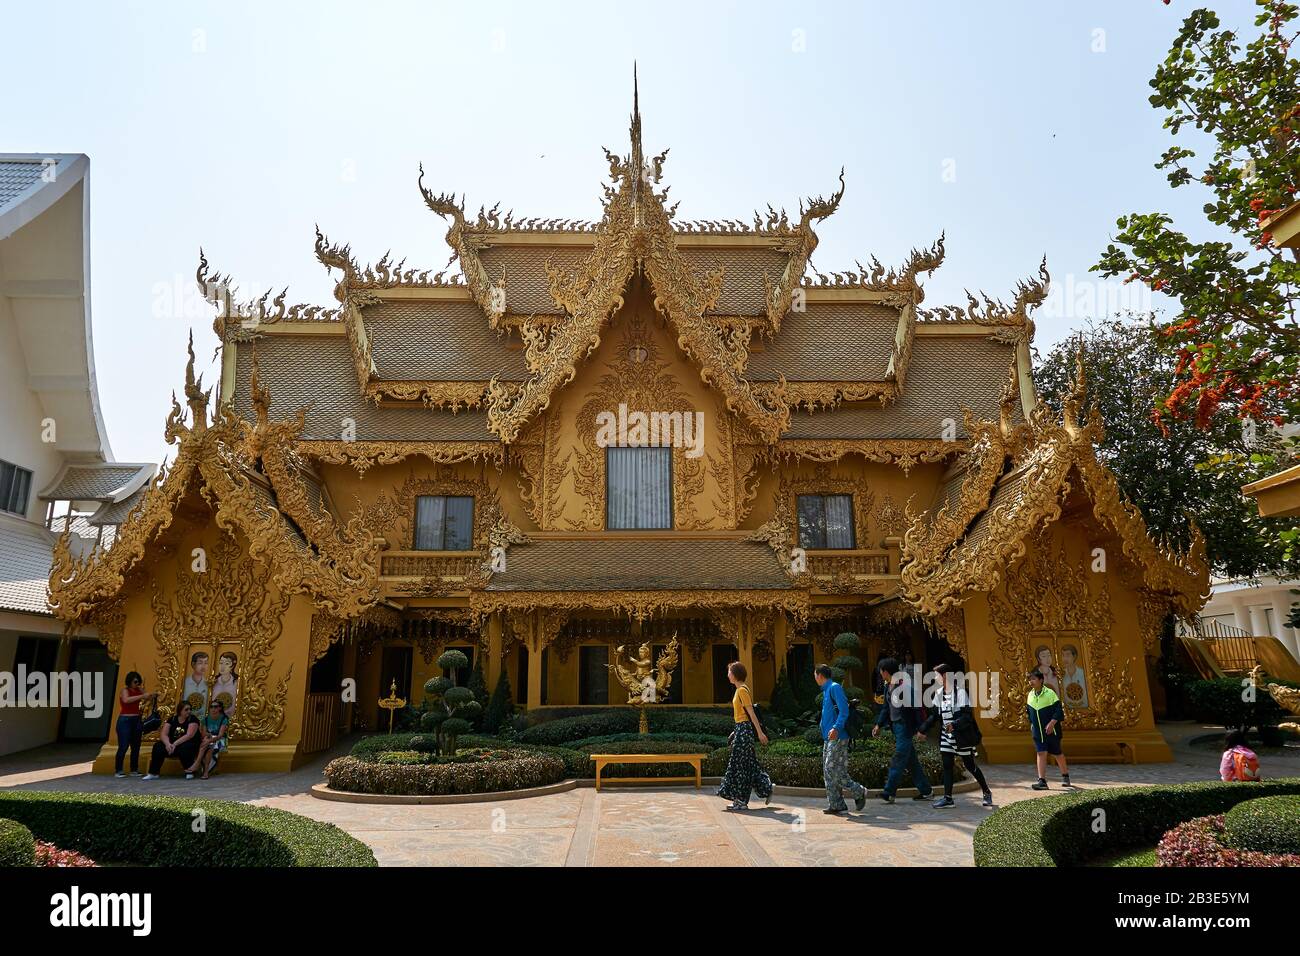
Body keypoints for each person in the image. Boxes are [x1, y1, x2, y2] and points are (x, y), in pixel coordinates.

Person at [921, 664, 993, 809]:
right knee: (947, 765)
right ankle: (948, 798)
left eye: (937, 675)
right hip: (946, 736)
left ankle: (986, 791)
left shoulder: (960, 693)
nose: (935, 678)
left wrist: (954, 724)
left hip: (960, 736)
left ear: (945, 675)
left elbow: (967, 716)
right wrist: (922, 730)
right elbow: (934, 716)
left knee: (970, 765)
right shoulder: (939, 693)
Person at [872, 656, 933, 804]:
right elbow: (886, 709)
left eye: (881, 671)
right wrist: (878, 725)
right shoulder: (888, 687)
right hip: (896, 727)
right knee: (911, 761)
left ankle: (889, 792)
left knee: (899, 758)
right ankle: (926, 791)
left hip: (905, 727)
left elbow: (917, 708)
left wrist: (921, 729)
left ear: (885, 671)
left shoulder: (904, 687)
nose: (880, 674)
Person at [716, 661, 772, 811]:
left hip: (745, 731)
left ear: (734, 674)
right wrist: (735, 731)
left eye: (729, 672)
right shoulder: (739, 690)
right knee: (748, 765)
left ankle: (741, 801)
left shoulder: (742, 691)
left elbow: (751, 713)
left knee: (740, 766)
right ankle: (766, 787)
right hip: (741, 729)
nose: (727, 675)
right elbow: (742, 715)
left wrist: (759, 733)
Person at [814, 664, 867, 814]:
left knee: (831, 769)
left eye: (815, 675)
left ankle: (859, 791)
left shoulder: (835, 687)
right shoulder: (826, 690)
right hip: (829, 737)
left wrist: (836, 728)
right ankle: (837, 804)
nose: (815, 679)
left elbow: (844, 711)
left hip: (839, 736)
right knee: (832, 771)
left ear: (820, 675)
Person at [1027, 669, 1071, 790]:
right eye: (1030, 679)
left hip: (1052, 731)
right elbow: (1029, 712)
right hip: (1038, 732)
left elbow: (1058, 711)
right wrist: (1032, 725)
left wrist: (1052, 723)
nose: (1031, 681)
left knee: (1057, 753)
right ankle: (1042, 781)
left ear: (1041, 680)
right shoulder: (1030, 694)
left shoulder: (1050, 693)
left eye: (1033, 679)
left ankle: (1065, 776)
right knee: (1040, 753)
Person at [113, 672, 160, 777]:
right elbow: (126, 700)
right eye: (135, 681)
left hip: (136, 719)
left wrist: (152, 695)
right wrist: (142, 696)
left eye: (138, 681)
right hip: (125, 720)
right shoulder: (125, 691)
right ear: (129, 681)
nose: (137, 683)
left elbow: (146, 697)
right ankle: (118, 769)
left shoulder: (139, 690)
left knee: (136, 746)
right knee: (123, 746)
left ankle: (134, 769)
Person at [143, 701, 202, 780]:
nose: (189, 711)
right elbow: (164, 734)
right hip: (172, 745)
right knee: (158, 747)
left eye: (190, 709)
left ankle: (189, 771)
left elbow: (189, 735)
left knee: (185, 747)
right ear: (180, 710)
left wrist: (174, 744)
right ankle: (154, 773)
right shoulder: (172, 719)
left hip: (186, 743)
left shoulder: (193, 719)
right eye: (186, 709)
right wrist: (168, 744)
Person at [190, 699, 230, 780]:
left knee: (209, 746)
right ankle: (205, 771)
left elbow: (220, 735)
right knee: (208, 745)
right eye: (211, 707)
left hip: (220, 740)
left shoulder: (223, 719)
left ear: (220, 708)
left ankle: (199, 766)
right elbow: (204, 733)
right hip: (208, 738)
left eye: (215, 707)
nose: (213, 709)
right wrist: (208, 737)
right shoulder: (205, 719)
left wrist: (209, 740)